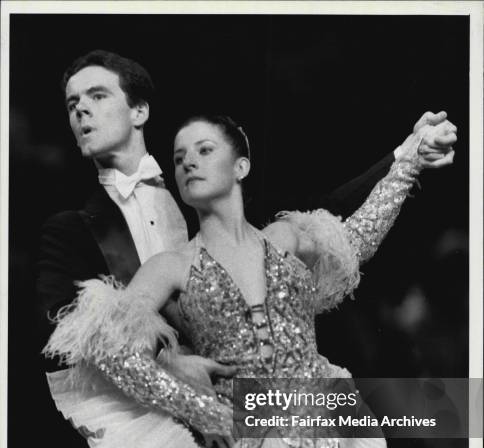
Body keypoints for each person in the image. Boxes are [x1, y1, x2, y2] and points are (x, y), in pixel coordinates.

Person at [18, 112, 456, 448]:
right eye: (180, 158)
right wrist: (200, 409)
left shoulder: (288, 238)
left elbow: (359, 236)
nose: (188, 164)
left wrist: (411, 160)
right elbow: (112, 350)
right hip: (252, 441)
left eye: (204, 150)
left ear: (241, 165)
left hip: (337, 423)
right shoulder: (170, 266)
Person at [38, 49, 455, 399]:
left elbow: (329, 217)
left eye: (96, 96)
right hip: (160, 418)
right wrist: (167, 367)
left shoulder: (204, 189)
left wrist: (407, 155)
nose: (82, 111)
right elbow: (73, 337)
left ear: (139, 110)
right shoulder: (69, 231)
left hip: (266, 401)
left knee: (442, 414)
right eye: (73, 104)